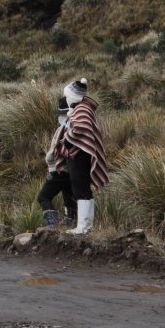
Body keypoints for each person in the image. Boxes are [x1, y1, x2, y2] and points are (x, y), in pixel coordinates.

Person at [54, 78, 108, 234]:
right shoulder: (82, 107)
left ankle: (82, 227)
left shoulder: (82, 108)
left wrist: (68, 141)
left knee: (80, 189)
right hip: (82, 153)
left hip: (79, 155)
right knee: (84, 190)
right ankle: (87, 225)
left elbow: (81, 128)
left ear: (72, 95)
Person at [36, 96, 77, 228]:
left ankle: (52, 224)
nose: (59, 116)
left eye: (61, 113)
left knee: (43, 197)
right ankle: (71, 221)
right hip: (68, 171)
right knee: (68, 197)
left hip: (61, 170)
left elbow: (62, 150)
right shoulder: (67, 127)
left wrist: (53, 168)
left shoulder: (67, 128)